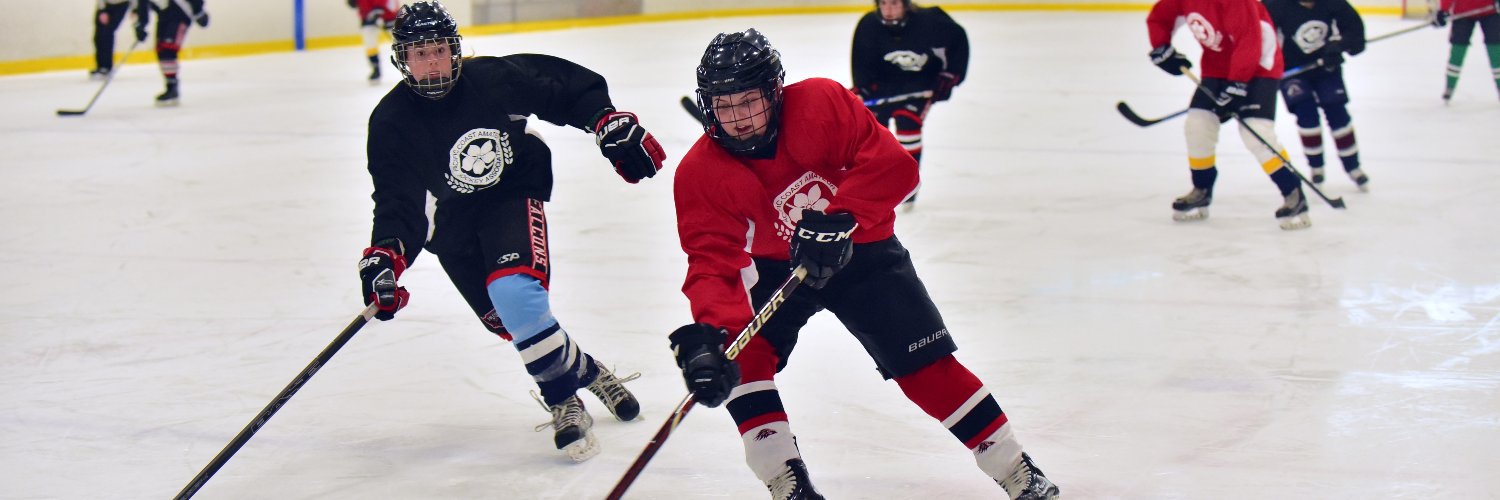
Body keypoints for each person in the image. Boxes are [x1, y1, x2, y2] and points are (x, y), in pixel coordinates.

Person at [668, 28, 1058, 500]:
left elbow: (896, 167)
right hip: (777, 268)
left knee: (925, 365)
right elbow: (712, 263)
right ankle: (784, 478)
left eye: (749, 101)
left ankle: (1014, 468)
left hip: (861, 247)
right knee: (739, 354)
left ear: (774, 91)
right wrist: (713, 333)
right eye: (724, 105)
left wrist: (842, 217)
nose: (738, 119)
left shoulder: (821, 103)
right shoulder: (700, 173)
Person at [358, 1, 664, 462]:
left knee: (514, 294)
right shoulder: (391, 122)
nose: (433, 63)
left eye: (439, 50)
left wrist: (606, 120)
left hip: (511, 194)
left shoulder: (492, 79)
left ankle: (563, 399)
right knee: (508, 322)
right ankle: (586, 369)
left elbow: (562, 87)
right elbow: (398, 202)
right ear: (403, 59)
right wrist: (385, 256)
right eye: (420, 54)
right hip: (452, 228)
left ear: (454, 49)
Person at [1147, 0, 1313, 230]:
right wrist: (1161, 46)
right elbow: (1159, 18)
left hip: (1259, 65)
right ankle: (1201, 189)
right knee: (1198, 124)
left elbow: (1249, 39)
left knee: (1255, 132)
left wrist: (1237, 84)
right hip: (1218, 68)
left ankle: (1292, 191)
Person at [850, 0, 968, 211]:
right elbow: (861, 62)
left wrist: (951, 73)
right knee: (873, 129)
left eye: (894, 3)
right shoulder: (869, 24)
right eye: (883, 3)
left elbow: (958, 38)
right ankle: (877, 183)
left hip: (920, 85)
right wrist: (863, 87)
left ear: (905, 5)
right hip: (884, 87)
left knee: (908, 122)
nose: (888, 9)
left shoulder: (930, 21)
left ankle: (908, 185)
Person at [1264, 0, 1371, 190]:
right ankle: (1316, 167)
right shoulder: (1275, 5)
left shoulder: (1332, 3)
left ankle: (1353, 167)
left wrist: (1339, 45)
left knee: (1337, 112)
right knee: (1306, 114)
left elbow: (1355, 32)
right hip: (1291, 72)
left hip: (1326, 68)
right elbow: (1261, 37)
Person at [143, 0, 210, 106]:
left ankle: (172, 88)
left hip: (181, 11)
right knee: (161, 49)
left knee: (168, 48)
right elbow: (142, 4)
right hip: (164, 14)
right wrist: (141, 24)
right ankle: (171, 87)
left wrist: (198, 10)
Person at [1430, 0, 1500, 101]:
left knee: (1496, 52)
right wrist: (1443, 10)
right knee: (1458, 51)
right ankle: (1450, 86)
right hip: (1462, 12)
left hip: (1490, 12)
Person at [90, 0, 148, 80]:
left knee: (107, 34)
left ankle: (106, 67)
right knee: (98, 37)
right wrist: (102, 10)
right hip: (105, 4)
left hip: (121, 5)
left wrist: (135, 10)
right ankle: (100, 66)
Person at [349, 0, 398, 82]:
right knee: (370, 44)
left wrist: (379, 9)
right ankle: (375, 67)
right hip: (368, 17)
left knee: (399, 42)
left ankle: (411, 64)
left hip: (388, 16)